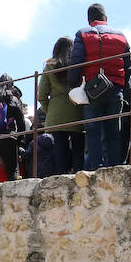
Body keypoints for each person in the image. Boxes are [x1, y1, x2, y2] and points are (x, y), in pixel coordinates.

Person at [68, 3, 131, 170]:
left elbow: (76, 62)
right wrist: (123, 87)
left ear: (89, 20)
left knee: (93, 132)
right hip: (115, 88)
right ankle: (115, 167)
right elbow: (128, 66)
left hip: (92, 89)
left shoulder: (82, 34)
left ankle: (95, 168)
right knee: (113, 132)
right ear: (106, 18)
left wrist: (73, 88)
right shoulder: (121, 36)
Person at [38, 37, 85, 174]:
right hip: (77, 110)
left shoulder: (49, 66)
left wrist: (49, 111)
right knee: (78, 149)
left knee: (60, 151)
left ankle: (61, 177)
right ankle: (79, 176)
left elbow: (42, 95)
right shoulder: (77, 64)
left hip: (56, 113)